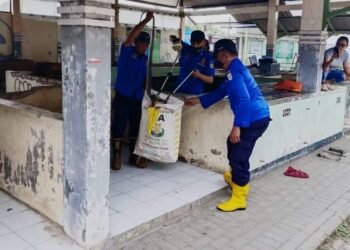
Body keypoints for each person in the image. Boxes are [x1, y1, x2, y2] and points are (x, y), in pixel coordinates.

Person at [185, 39, 270, 212]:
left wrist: (237, 126)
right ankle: (235, 179)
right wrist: (200, 100)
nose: (218, 61)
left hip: (254, 119)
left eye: (218, 56)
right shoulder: (235, 69)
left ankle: (239, 197)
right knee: (232, 145)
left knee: (239, 154)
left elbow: (244, 99)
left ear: (224, 55)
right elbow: (222, 91)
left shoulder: (235, 71)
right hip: (253, 117)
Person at [112, 12, 154, 170]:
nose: (144, 46)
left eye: (146, 44)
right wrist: (146, 20)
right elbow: (134, 32)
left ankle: (133, 156)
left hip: (137, 98)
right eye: (142, 43)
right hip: (123, 95)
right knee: (119, 125)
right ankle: (116, 156)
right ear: (136, 43)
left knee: (136, 126)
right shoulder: (126, 52)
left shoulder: (146, 60)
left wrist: (149, 94)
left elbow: (146, 80)